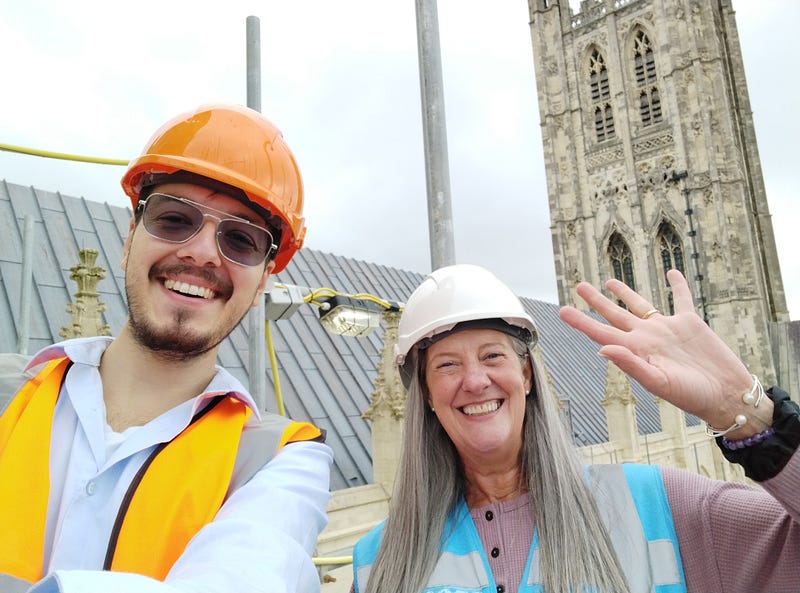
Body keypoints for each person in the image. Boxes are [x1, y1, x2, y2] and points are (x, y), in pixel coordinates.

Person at [0, 104, 332, 593]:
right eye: (175, 219)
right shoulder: (9, 394)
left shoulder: (279, 461)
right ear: (129, 237)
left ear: (263, 280)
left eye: (240, 239)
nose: (200, 252)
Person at [352, 263, 800, 593]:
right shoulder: (375, 561)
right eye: (448, 365)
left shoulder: (658, 505)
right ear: (426, 396)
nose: (475, 381)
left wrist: (748, 410)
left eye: (493, 356)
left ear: (527, 376)